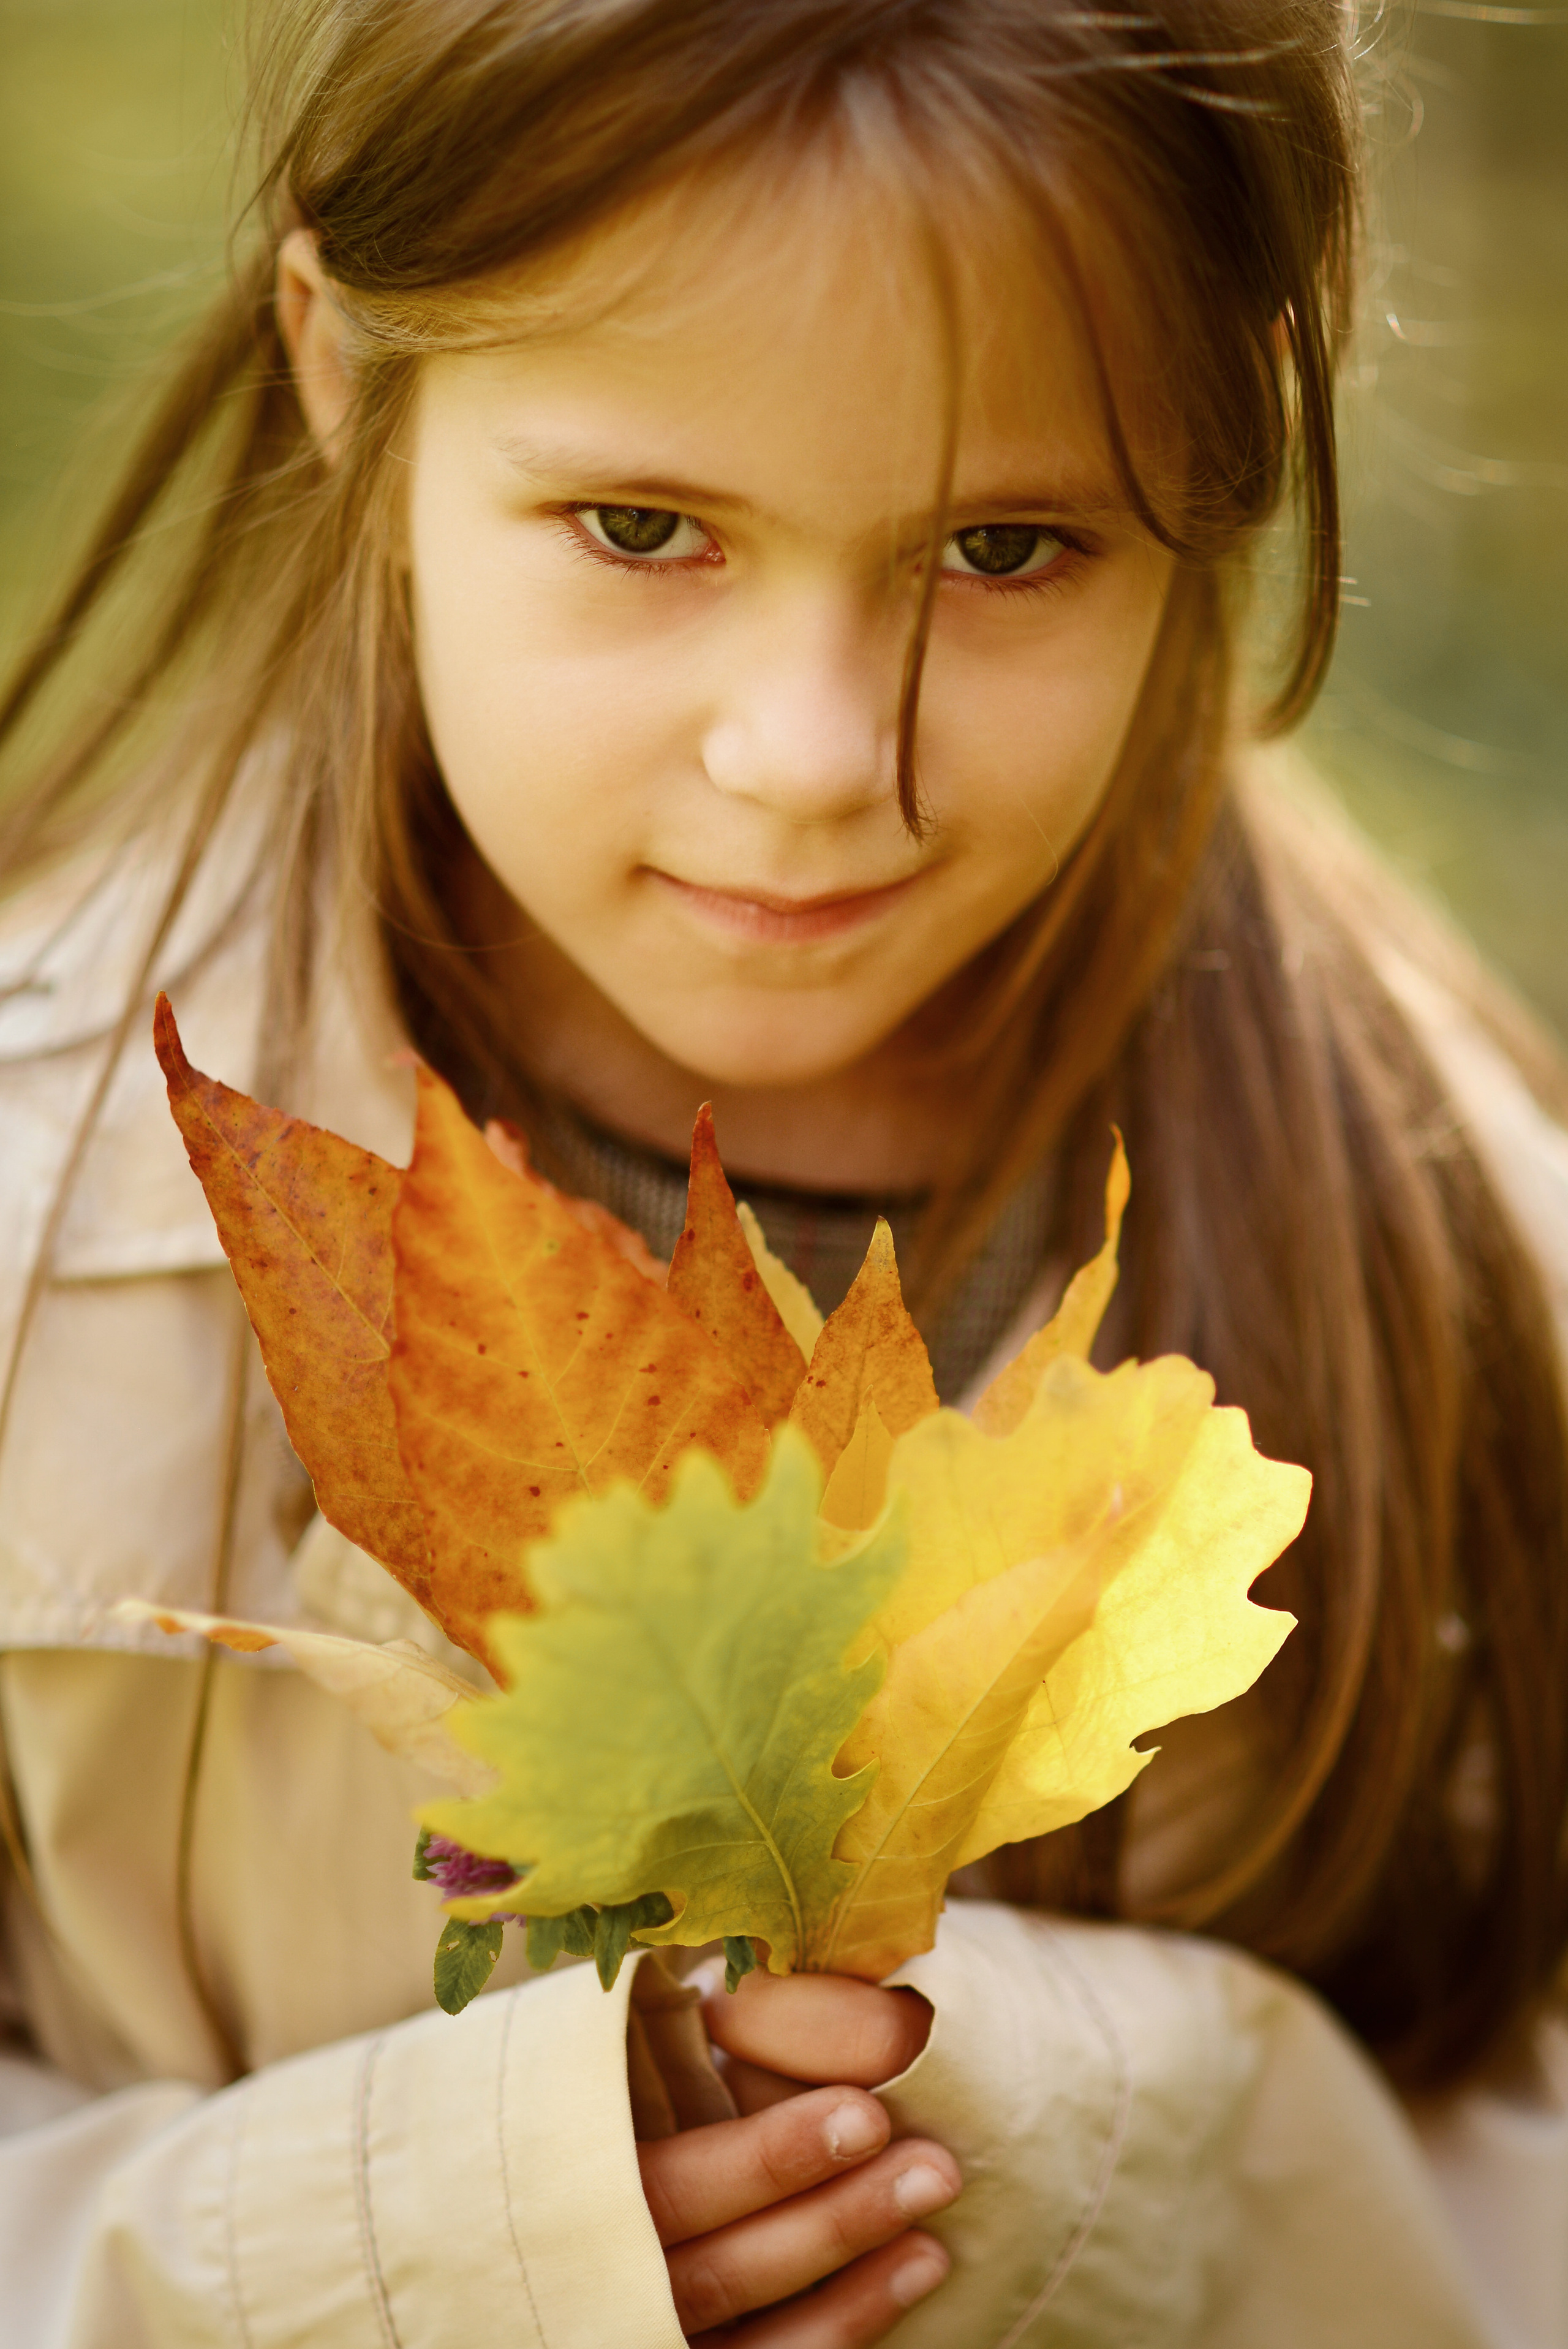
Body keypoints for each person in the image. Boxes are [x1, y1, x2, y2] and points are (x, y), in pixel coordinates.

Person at [1, 2, 1566, 2343]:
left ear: (1231, 442)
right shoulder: (45, 1223)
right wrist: (415, 2250)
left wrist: (1101, 2146)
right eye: (644, 528)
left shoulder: (1464, 1259)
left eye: (1008, 544)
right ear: (346, 373)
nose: (814, 753)